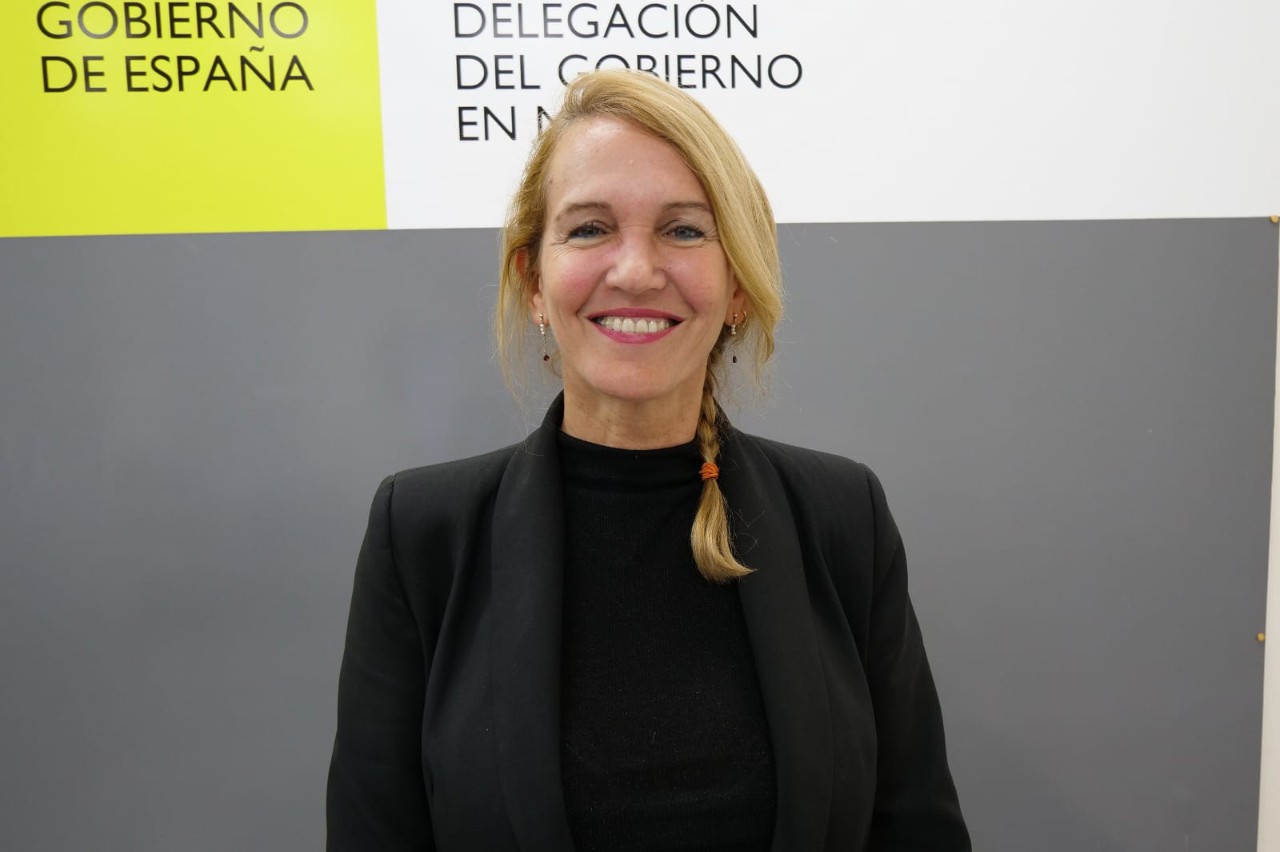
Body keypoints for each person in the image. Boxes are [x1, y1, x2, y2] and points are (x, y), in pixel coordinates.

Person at [327, 69, 970, 851]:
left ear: (738, 286)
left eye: (685, 231)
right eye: (590, 229)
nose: (635, 270)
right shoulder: (423, 534)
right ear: (534, 283)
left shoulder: (842, 518)